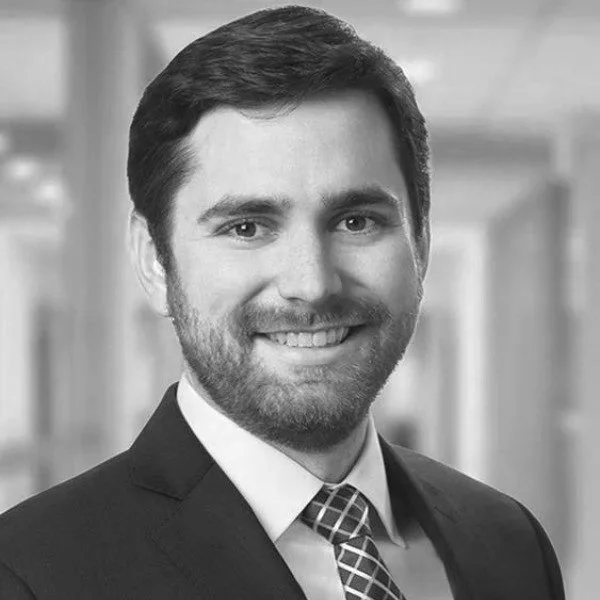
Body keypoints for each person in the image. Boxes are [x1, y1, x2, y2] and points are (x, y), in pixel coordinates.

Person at [0, 6, 564, 599]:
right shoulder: (30, 574)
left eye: (356, 221)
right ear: (153, 260)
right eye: (246, 227)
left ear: (419, 243)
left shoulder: (508, 540)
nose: (312, 284)